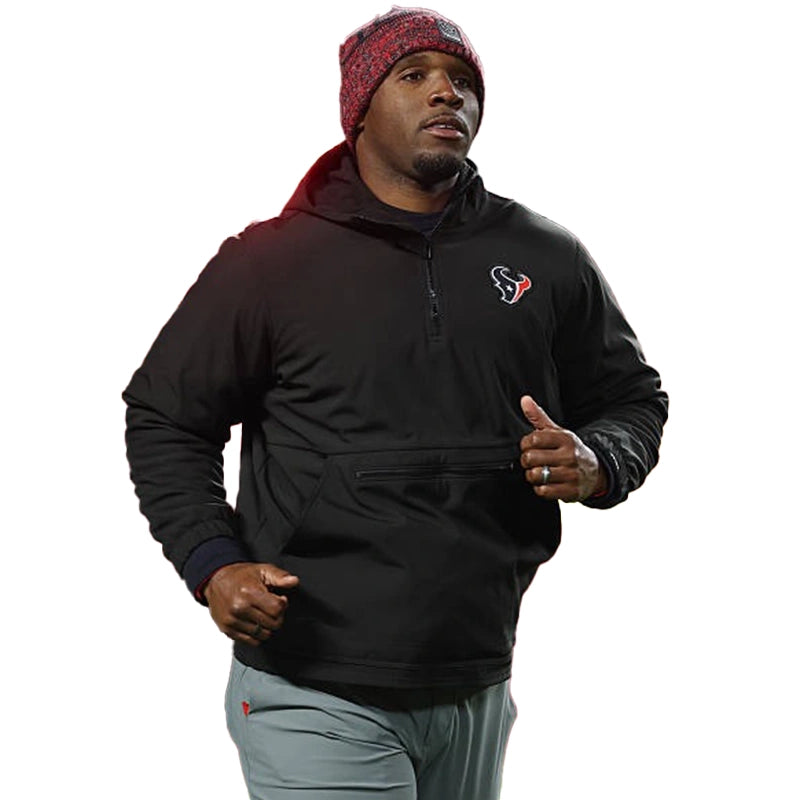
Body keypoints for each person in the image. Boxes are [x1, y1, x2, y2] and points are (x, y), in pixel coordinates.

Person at [123, 6, 668, 799]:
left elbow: (631, 397)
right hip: (313, 684)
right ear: (360, 110)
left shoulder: (545, 257)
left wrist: (600, 459)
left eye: (464, 81)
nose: (448, 94)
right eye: (415, 76)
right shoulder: (269, 264)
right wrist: (214, 563)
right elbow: (167, 417)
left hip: (476, 679)